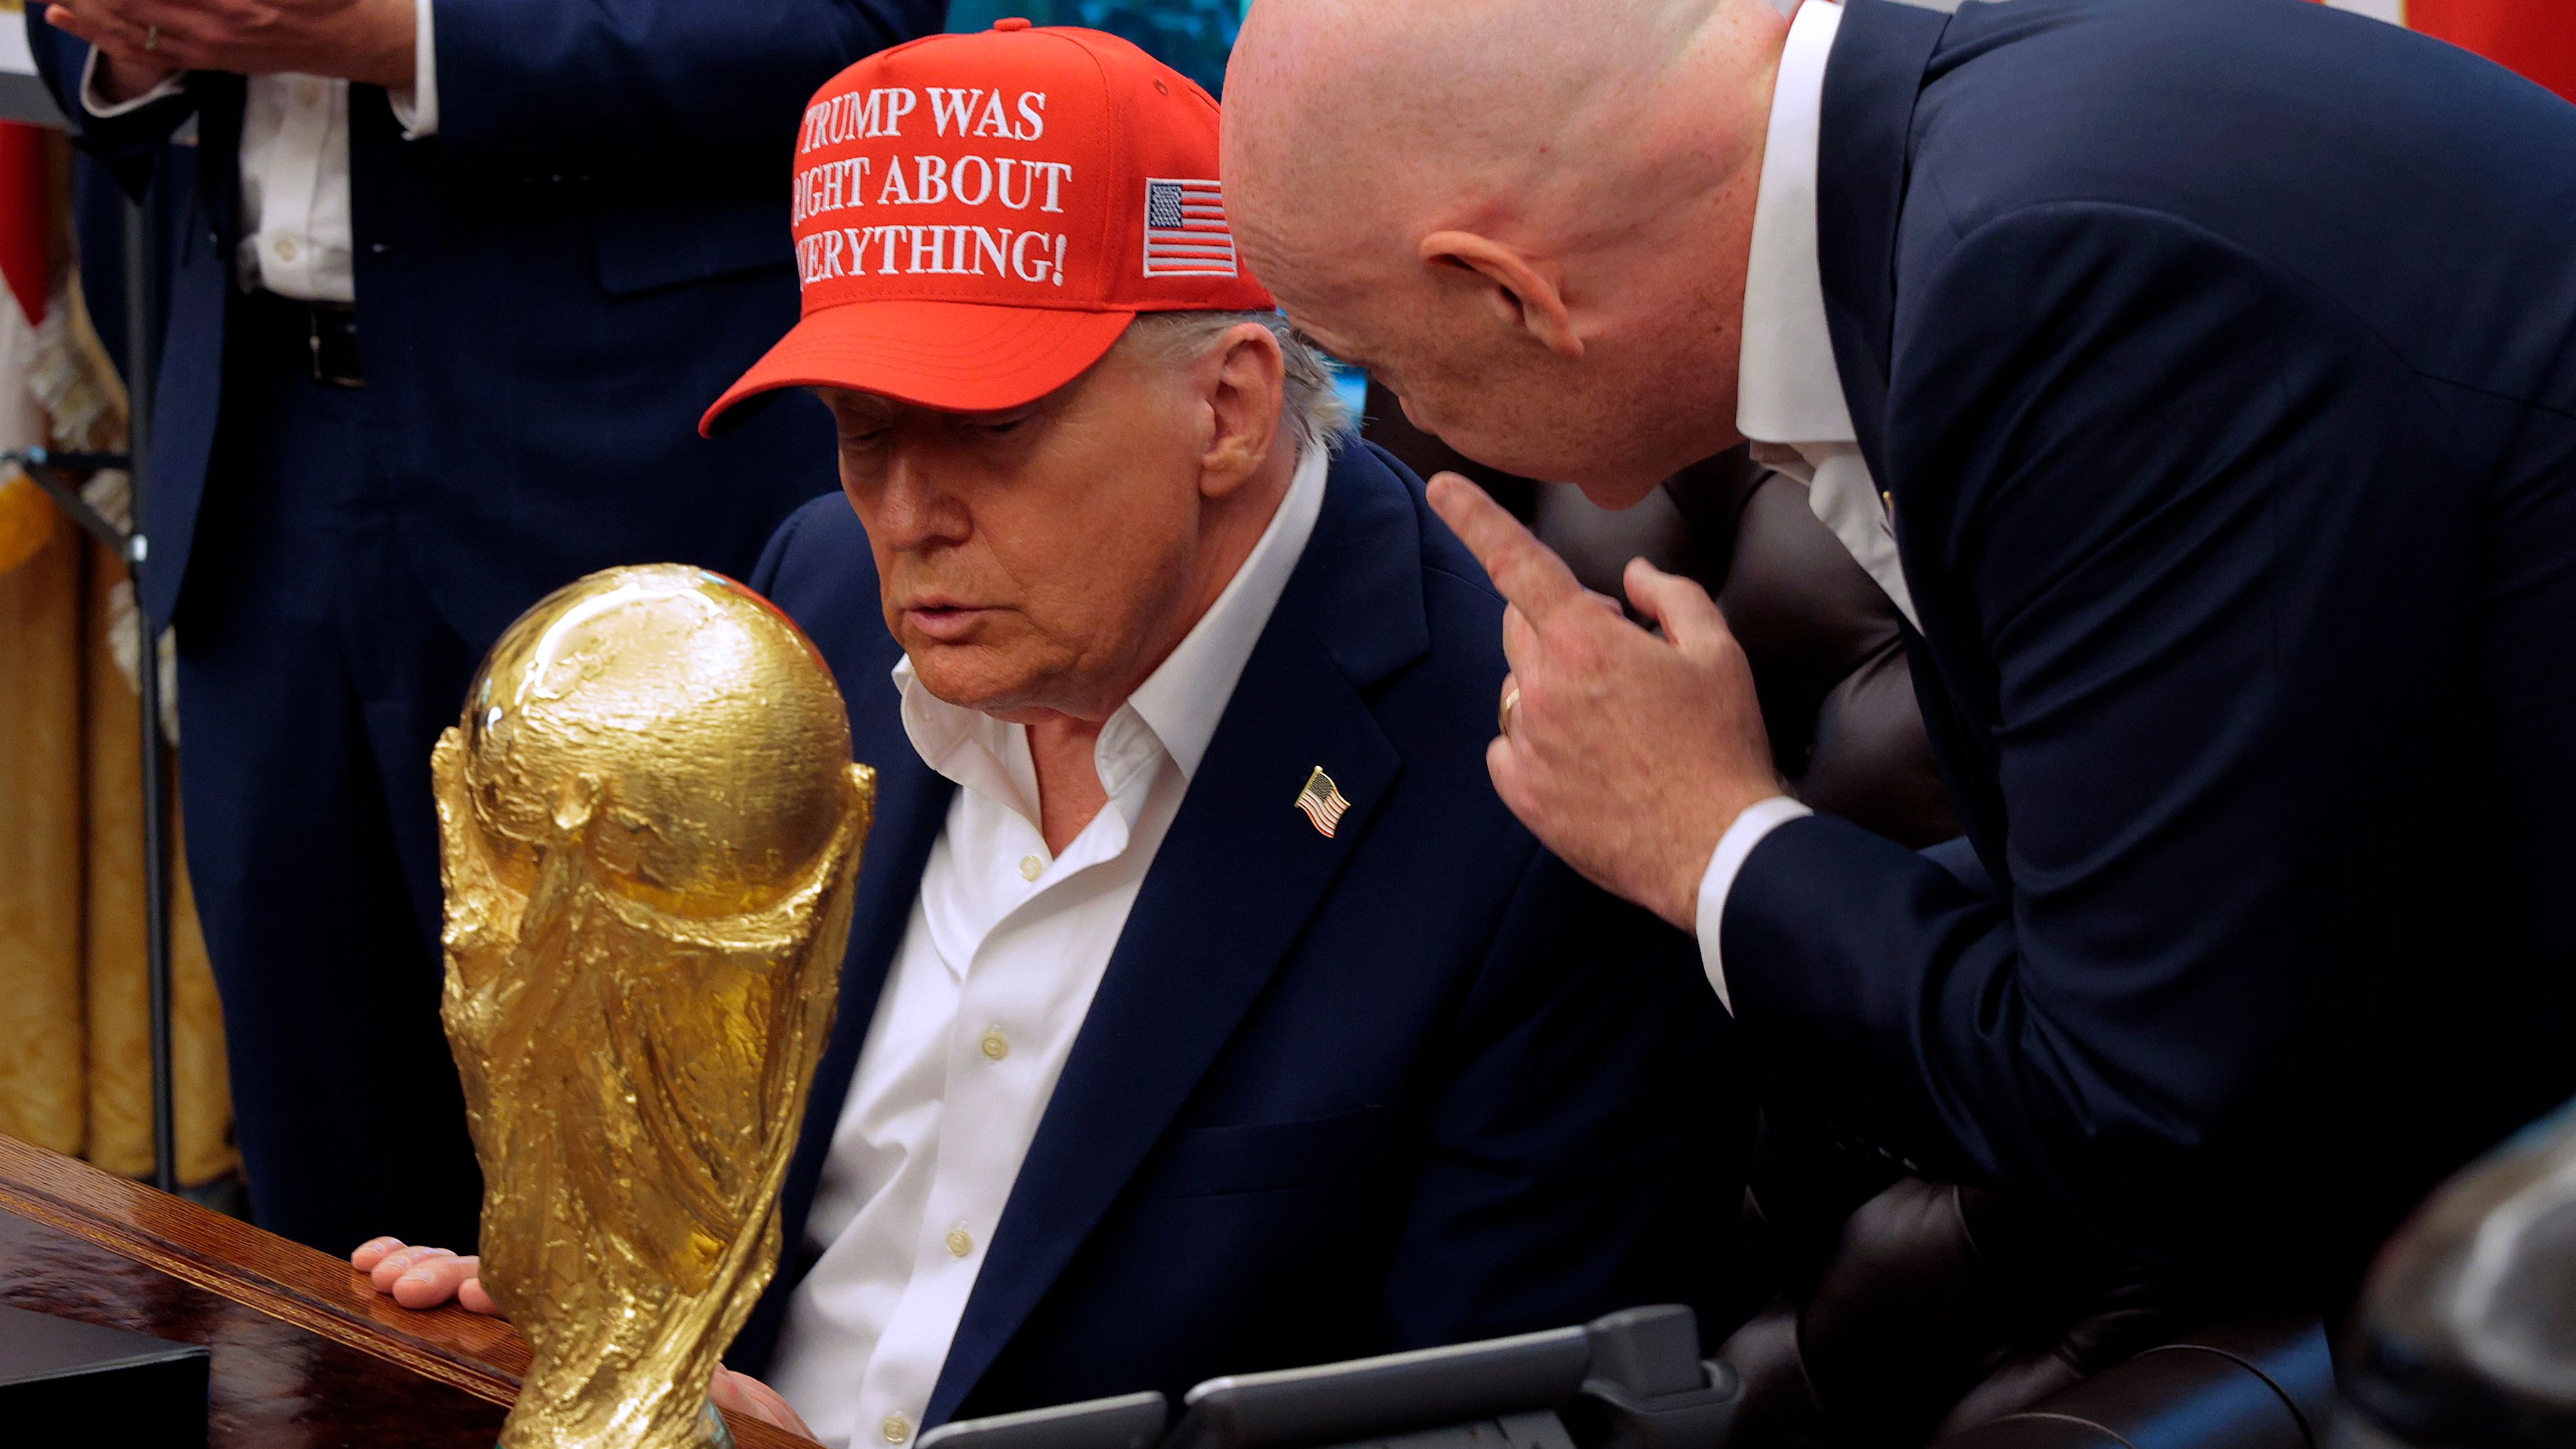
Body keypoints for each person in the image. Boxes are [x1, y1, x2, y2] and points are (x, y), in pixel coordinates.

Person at [350, 24, 1743, 1449]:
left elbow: (1508, 1424)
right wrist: (602, 1336)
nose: (907, 518)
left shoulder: (1538, 779)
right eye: (862, 430)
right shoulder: (812, 598)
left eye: (988, 426)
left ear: (1227, 406)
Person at [1220, 0, 2576, 1306]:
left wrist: (1704, 838)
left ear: (1513, 293)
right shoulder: (1981, 151)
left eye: (1382, 365)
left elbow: (2153, 1115)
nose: (1413, 418)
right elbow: (2188, 878)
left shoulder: (2053, 290)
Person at [21, 0, 944, 1253]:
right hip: (255, 444)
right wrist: (136, 30)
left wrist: (406, 37)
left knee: (622, 1142)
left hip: (605, 451)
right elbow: (79, 50)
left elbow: (849, 27)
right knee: (316, 1135)